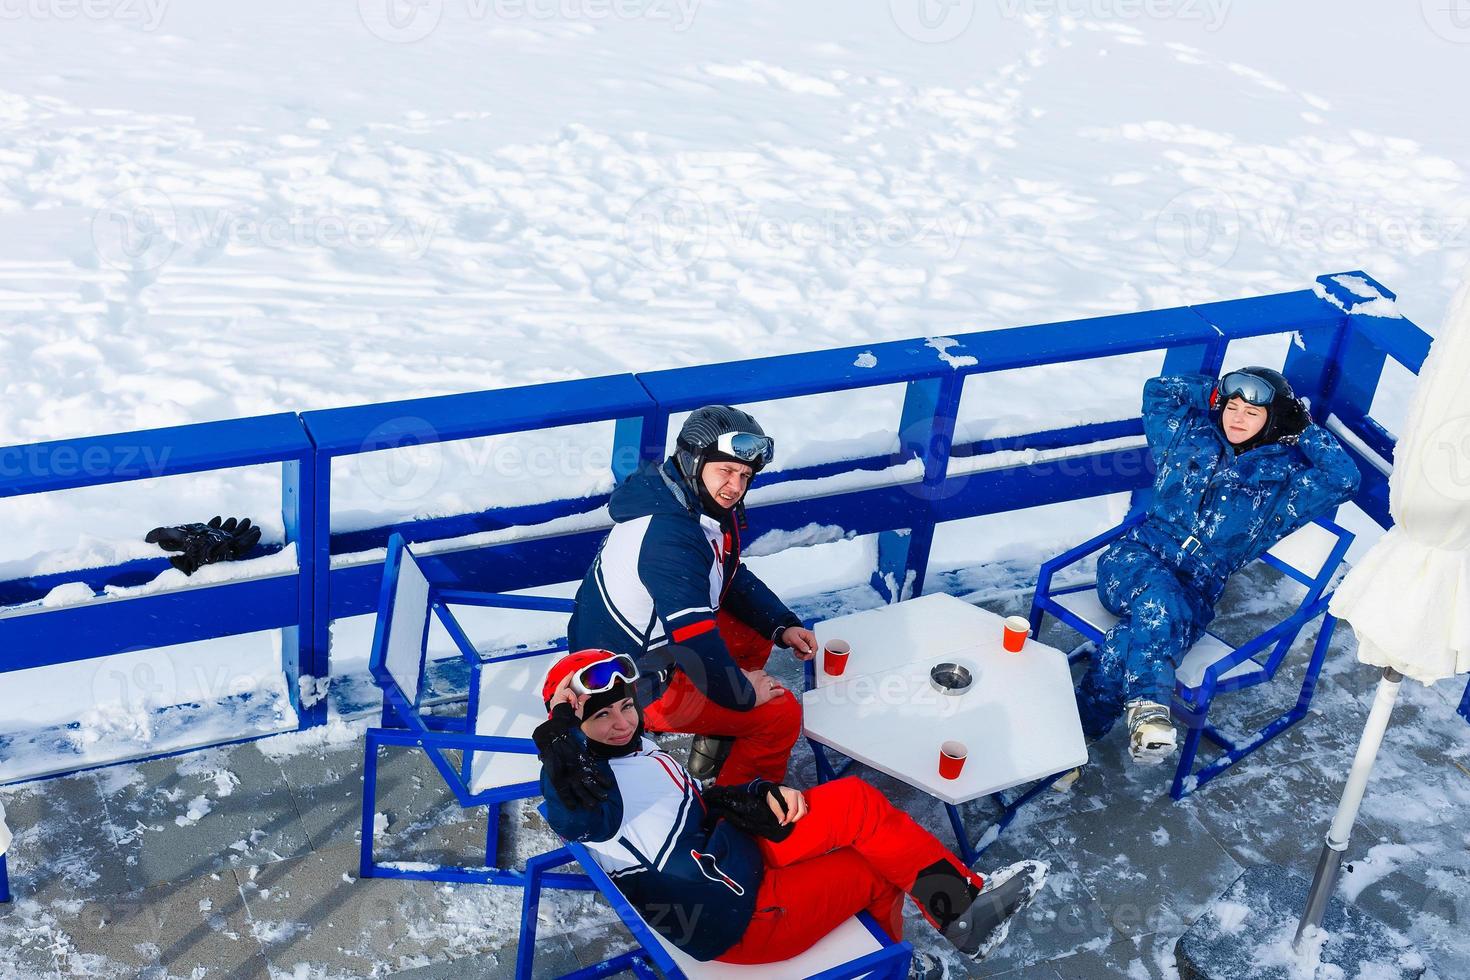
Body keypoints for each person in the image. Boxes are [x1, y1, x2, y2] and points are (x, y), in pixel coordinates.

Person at [534, 650, 1048, 964]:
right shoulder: (586, 787)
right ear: (571, 729)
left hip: (727, 855)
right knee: (881, 871)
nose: (624, 723)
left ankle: (962, 910)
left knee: (856, 803)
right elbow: (575, 815)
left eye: (627, 706)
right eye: (603, 716)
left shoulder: (630, 748)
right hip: (739, 917)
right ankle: (890, 966)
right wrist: (559, 739)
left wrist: (746, 798)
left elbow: (680, 803)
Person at [1074, 367, 1360, 766]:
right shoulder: (1187, 436)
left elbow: (1344, 478)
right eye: (1232, 406)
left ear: (1274, 420)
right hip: (1133, 562)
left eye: (1252, 412)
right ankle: (1149, 706)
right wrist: (1211, 392)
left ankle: (1077, 738)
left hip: (1196, 590)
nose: (1237, 418)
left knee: (1126, 642)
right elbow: (1158, 390)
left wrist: (1305, 428)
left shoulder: (1282, 484)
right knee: (1159, 601)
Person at [568, 405, 818, 785]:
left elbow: (726, 575)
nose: (736, 487)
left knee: (754, 630)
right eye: (726, 471)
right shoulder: (669, 535)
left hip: (641, 653)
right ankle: (739, 815)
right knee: (780, 713)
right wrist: (741, 693)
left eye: (745, 475)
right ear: (693, 460)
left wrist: (780, 624)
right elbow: (696, 638)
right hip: (630, 686)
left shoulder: (683, 498)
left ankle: (719, 733)